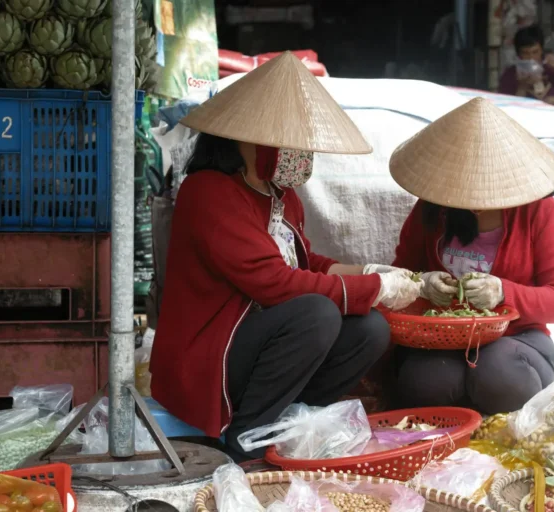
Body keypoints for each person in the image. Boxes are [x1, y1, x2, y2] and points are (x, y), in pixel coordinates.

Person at [149, 52, 423, 460]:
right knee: (316, 313)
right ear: (249, 137)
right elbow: (275, 282)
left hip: (261, 340)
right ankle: (247, 436)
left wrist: (375, 272)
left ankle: (294, 418)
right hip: (211, 351)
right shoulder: (209, 192)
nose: (302, 153)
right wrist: (373, 286)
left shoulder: (282, 195)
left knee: (370, 329)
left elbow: (305, 261)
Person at [387, 97, 554, 415]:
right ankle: (462, 416)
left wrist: (504, 292)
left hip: (518, 340)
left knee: (499, 374)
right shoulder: (431, 208)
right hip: (442, 340)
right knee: (423, 382)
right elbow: (397, 278)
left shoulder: (540, 212)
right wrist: (421, 284)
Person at [498, 24, 554, 108]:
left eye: (535, 52)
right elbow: (509, 108)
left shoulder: (551, 68)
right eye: (525, 53)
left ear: (541, 50)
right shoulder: (509, 74)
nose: (531, 57)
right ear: (518, 54)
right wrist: (522, 87)